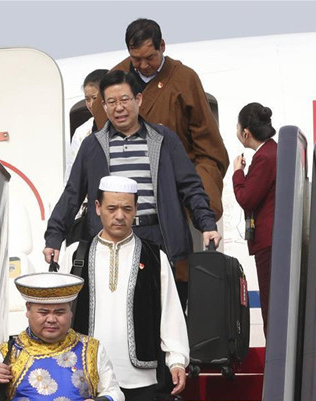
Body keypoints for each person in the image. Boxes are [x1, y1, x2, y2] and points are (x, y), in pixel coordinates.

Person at [44, 69, 221, 278]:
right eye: (111, 102)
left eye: (124, 99)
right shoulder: (92, 146)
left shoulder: (164, 140)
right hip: (110, 240)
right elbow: (72, 194)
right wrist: (54, 237)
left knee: (161, 307)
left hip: (157, 237)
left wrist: (207, 225)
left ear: (138, 99)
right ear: (104, 106)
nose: (119, 108)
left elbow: (191, 187)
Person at [61, 175, 189, 401]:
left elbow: (170, 311)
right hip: (84, 374)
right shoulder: (75, 255)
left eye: (127, 208)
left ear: (136, 209)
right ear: (97, 208)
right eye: (112, 208)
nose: (119, 215)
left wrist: (177, 360)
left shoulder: (154, 256)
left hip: (139, 376)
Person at [90, 18, 229, 222]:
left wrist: (201, 198)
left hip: (174, 191)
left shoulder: (185, 79)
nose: (144, 65)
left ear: (162, 46)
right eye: (136, 59)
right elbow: (100, 142)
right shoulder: (115, 80)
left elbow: (209, 148)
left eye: (150, 57)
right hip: (127, 197)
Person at [0, 273, 125, 401]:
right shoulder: (10, 351)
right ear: (28, 310)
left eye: (59, 312)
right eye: (43, 312)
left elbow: (114, 392)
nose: (51, 319)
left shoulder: (91, 348)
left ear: (70, 311)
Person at [232, 102, 277, 339]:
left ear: (246, 133)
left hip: (268, 243)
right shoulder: (274, 151)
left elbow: (247, 198)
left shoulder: (264, 158)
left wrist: (237, 173)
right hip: (274, 241)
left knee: (271, 307)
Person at [65, 69, 109, 183]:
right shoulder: (82, 132)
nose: (90, 104)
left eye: (95, 98)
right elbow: (72, 174)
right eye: (87, 99)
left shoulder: (127, 124)